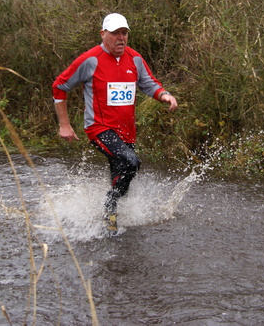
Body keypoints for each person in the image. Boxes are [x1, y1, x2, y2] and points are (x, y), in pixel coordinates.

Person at [52, 13, 178, 236]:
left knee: (124, 175)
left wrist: (163, 94)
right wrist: (64, 125)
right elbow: (60, 86)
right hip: (99, 128)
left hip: (127, 132)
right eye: (115, 33)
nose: (121, 38)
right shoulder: (90, 59)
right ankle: (108, 206)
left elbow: (148, 83)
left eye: (124, 33)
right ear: (103, 35)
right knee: (131, 162)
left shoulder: (135, 59)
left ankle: (111, 222)